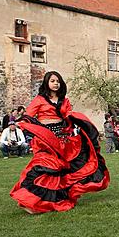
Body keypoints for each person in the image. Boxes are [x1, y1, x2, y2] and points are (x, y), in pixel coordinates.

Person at [10, 71, 109, 213]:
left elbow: (68, 117)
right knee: (44, 165)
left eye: (58, 81)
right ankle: (29, 199)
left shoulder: (65, 101)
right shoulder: (39, 99)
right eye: (52, 81)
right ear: (46, 83)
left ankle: (51, 200)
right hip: (45, 138)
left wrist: (83, 125)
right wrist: (24, 124)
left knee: (61, 168)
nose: (56, 84)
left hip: (62, 138)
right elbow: (28, 116)